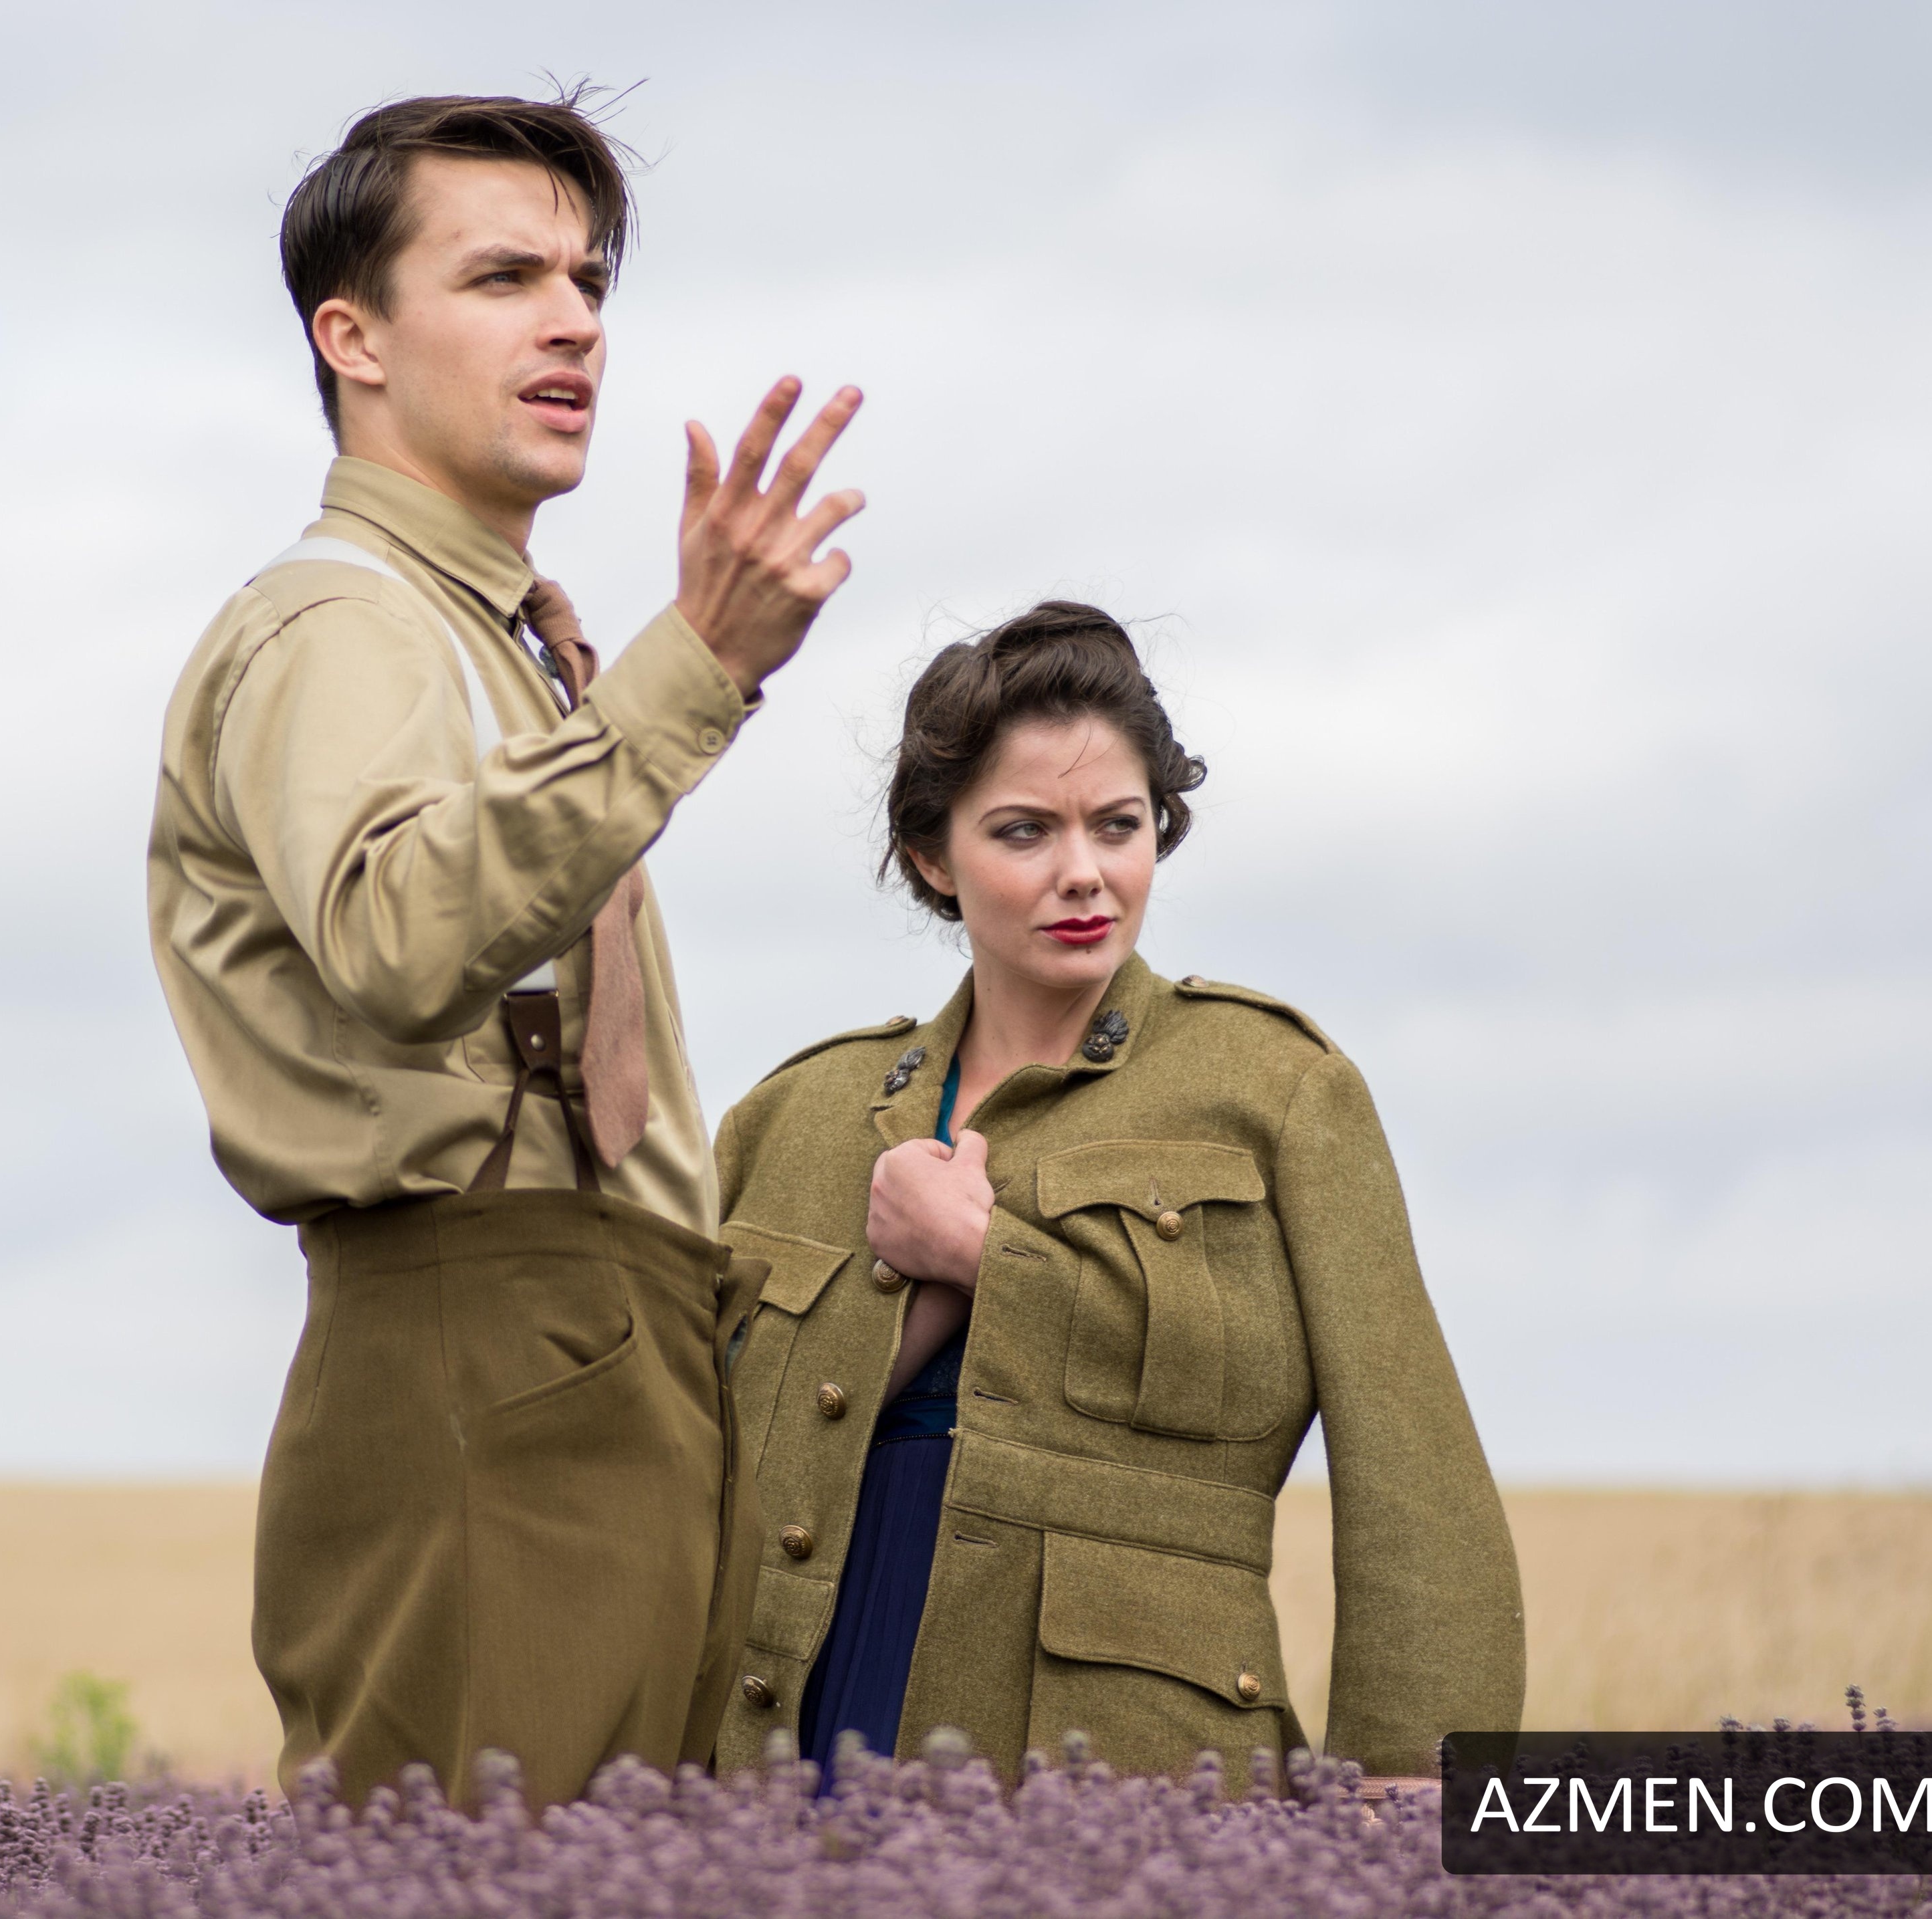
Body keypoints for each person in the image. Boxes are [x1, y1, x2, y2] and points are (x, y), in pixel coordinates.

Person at [144, 91, 866, 1807]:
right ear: (353, 339)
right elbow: (400, 942)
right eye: (501, 278)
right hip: (482, 1336)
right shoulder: (340, 621)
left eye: (587, 281)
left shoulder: (500, 643)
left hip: (596, 1342)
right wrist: (697, 666)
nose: (573, 323)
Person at [709, 601, 1525, 1794]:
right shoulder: (793, 1116)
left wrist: (1415, 1777)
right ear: (934, 857)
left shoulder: (1275, 1090)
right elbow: (695, 1470)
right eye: (1024, 831)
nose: (1083, 872)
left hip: (1129, 1766)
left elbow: (1414, 1466)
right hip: (795, 1722)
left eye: (1118, 825)